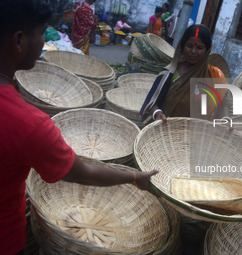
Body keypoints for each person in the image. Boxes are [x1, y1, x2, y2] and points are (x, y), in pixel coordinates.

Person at [0, 1, 158, 254]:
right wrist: (134, 177)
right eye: (41, 33)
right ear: (19, 41)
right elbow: (81, 172)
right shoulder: (29, 124)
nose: (42, 41)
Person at [140, 25, 230, 124]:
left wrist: (225, 119)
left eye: (199, 48)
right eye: (189, 46)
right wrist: (157, 113)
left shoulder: (215, 75)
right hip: (168, 133)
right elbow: (152, 103)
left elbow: (223, 105)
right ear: (182, 47)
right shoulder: (169, 74)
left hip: (200, 134)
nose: (193, 51)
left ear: (208, 50)